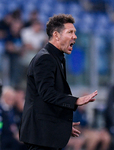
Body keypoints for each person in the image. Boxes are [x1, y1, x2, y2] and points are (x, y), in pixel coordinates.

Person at [19, 14, 98, 150]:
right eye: (70, 32)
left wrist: (62, 125)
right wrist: (76, 101)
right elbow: (47, 94)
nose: (75, 36)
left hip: (46, 134)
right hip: (41, 137)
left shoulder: (55, 58)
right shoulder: (45, 59)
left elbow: (44, 103)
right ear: (56, 35)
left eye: (75, 32)